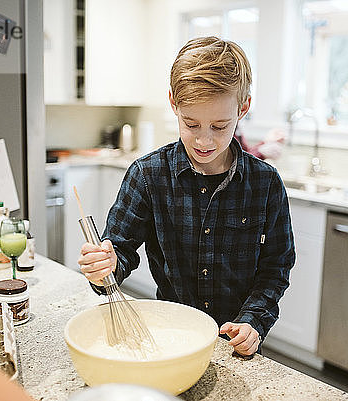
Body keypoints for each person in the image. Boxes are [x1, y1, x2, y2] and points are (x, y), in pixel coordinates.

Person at [78, 36, 295, 357]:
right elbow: (118, 252)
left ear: (243, 108)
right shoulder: (148, 174)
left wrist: (254, 320)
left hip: (237, 342)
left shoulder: (265, 182)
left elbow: (276, 266)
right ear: (173, 103)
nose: (204, 140)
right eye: (191, 124)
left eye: (220, 126)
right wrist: (104, 266)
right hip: (170, 339)